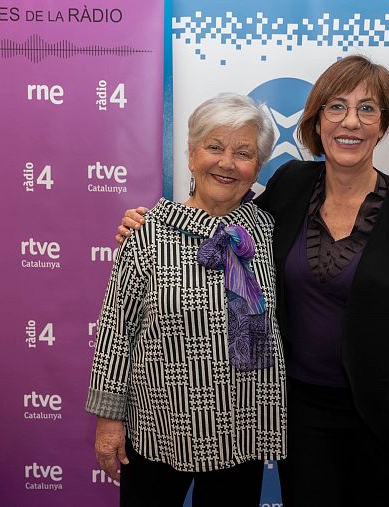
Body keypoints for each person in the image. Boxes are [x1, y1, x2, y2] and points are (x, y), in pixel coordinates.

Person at [116, 55, 389, 506]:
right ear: (317, 122)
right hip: (297, 411)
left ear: (383, 124)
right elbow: (221, 209)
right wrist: (153, 224)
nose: (350, 122)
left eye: (367, 109)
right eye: (336, 107)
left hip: (378, 416)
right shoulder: (290, 184)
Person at [87, 93, 286, 506]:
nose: (227, 162)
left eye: (243, 152)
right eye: (214, 147)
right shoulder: (147, 233)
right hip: (159, 426)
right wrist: (109, 420)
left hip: (241, 428)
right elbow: (115, 332)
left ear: (258, 167)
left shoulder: (266, 232)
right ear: (192, 154)